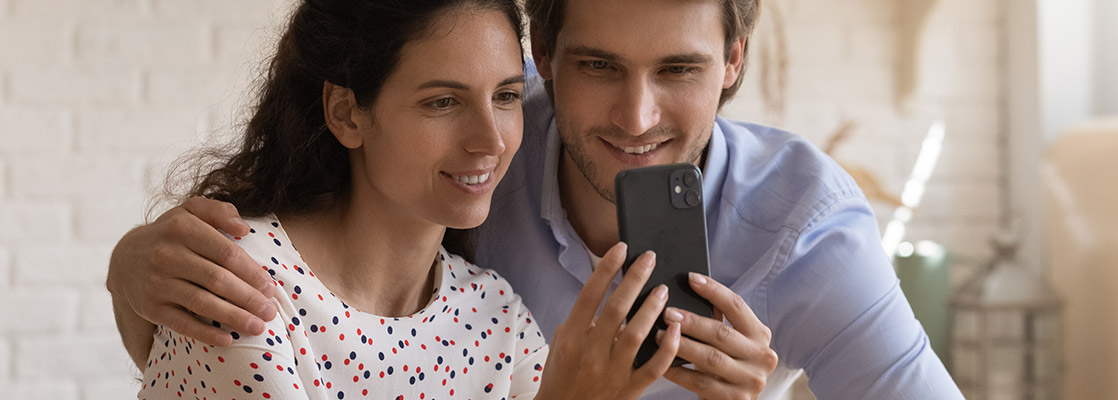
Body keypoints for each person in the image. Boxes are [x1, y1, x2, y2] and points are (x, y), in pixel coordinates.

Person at [110, 0, 963, 399]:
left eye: (679, 69)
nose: (635, 119)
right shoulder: (480, 165)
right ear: (545, 56)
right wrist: (126, 270)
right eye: (598, 66)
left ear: (733, 60)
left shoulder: (492, 315)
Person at [129, 0, 695, 398]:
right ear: (347, 112)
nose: (491, 141)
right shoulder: (241, 283)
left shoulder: (495, 314)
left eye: (505, 97)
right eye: (442, 102)